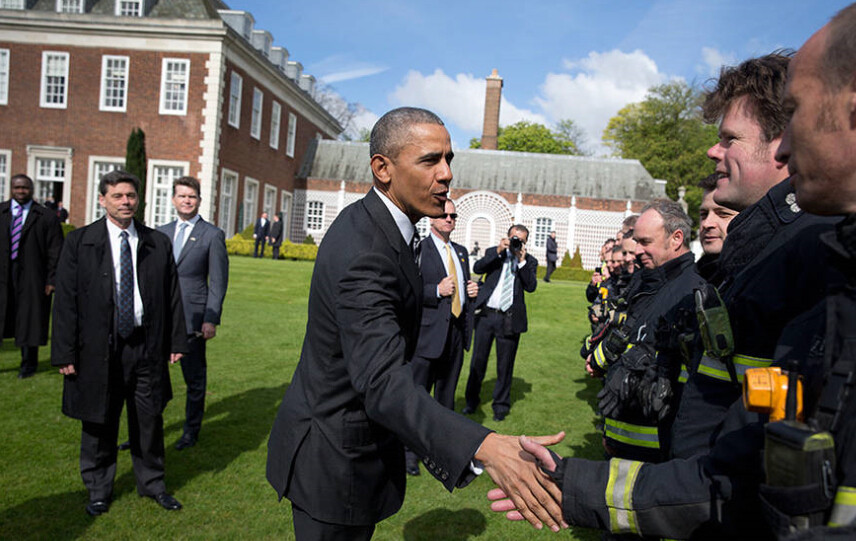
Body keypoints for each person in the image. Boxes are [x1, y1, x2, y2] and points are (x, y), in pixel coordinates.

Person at [489, 47, 845, 539]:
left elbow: (747, 465)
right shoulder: (756, 258)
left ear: (780, 143)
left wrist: (578, 488)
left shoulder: (808, 255)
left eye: (729, 138)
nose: (711, 152)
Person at [265, 107, 565, 540]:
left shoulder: (388, 227)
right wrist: (485, 446)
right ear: (382, 168)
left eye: (449, 159)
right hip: (331, 461)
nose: (446, 174)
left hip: (354, 450)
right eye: (429, 160)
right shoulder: (365, 248)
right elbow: (383, 381)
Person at [51, 170, 188, 516]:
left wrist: (176, 340)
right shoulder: (80, 242)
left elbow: (173, 296)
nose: (126, 202)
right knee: (99, 421)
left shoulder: (156, 243)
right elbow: (65, 301)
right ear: (102, 200)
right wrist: (64, 351)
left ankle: (153, 483)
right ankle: (98, 489)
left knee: (149, 418)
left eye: (130, 195)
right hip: (98, 348)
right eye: (118, 196)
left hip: (146, 345)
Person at [587, 200, 706, 462]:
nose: (636, 251)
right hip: (621, 438)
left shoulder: (691, 291)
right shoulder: (647, 280)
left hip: (656, 453)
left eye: (645, 242)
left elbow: (683, 379)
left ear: (676, 238)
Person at [404, 198, 478, 476]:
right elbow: (407, 293)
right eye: (444, 214)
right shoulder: (419, 250)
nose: (449, 219)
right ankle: (408, 453)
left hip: (456, 335)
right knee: (417, 398)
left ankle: (437, 452)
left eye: (454, 216)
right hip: (426, 337)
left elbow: (461, 292)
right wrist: (435, 290)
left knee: (446, 401)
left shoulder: (461, 253)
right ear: (431, 218)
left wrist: (472, 293)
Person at [157, 176, 228, 450]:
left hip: (192, 318)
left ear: (199, 200)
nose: (187, 200)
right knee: (152, 378)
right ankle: (148, 429)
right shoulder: (160, 233)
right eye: (182, 196)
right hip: (159, 318)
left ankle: (190, 431)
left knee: (194, 380)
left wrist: (211, 318)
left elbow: (218, 281)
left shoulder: (212, 235)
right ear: (174, 200)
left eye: (192, 196)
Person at [462, 224, 538, 422]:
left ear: (525, 243)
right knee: (478, 361)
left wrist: (521, 261)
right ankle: (471, 402)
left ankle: (501, 407)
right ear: (507, 237)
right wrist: (497, 251)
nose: (515, 241)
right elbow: (477, 268)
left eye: (520, 239)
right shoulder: (494, 254)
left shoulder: (529, 261)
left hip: (510, 318)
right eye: (513, 237)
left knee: (505, 366)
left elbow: (530, 286)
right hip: (487, 315)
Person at [0, 174, 63, 379]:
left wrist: (51, 280)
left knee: (30, 320)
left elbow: (56, 250)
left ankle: (28, 364)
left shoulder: (46, 216)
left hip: (33, 275)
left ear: (31, 189)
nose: (21, 191)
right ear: (11, 188)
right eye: (17, 187)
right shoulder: (1, 212)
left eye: (25, 188)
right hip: (3, 273)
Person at [695, 173, 738, 283]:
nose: (707, 224)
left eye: (723, 214)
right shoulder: (688, 281)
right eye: (704, 214)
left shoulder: (759, 279)